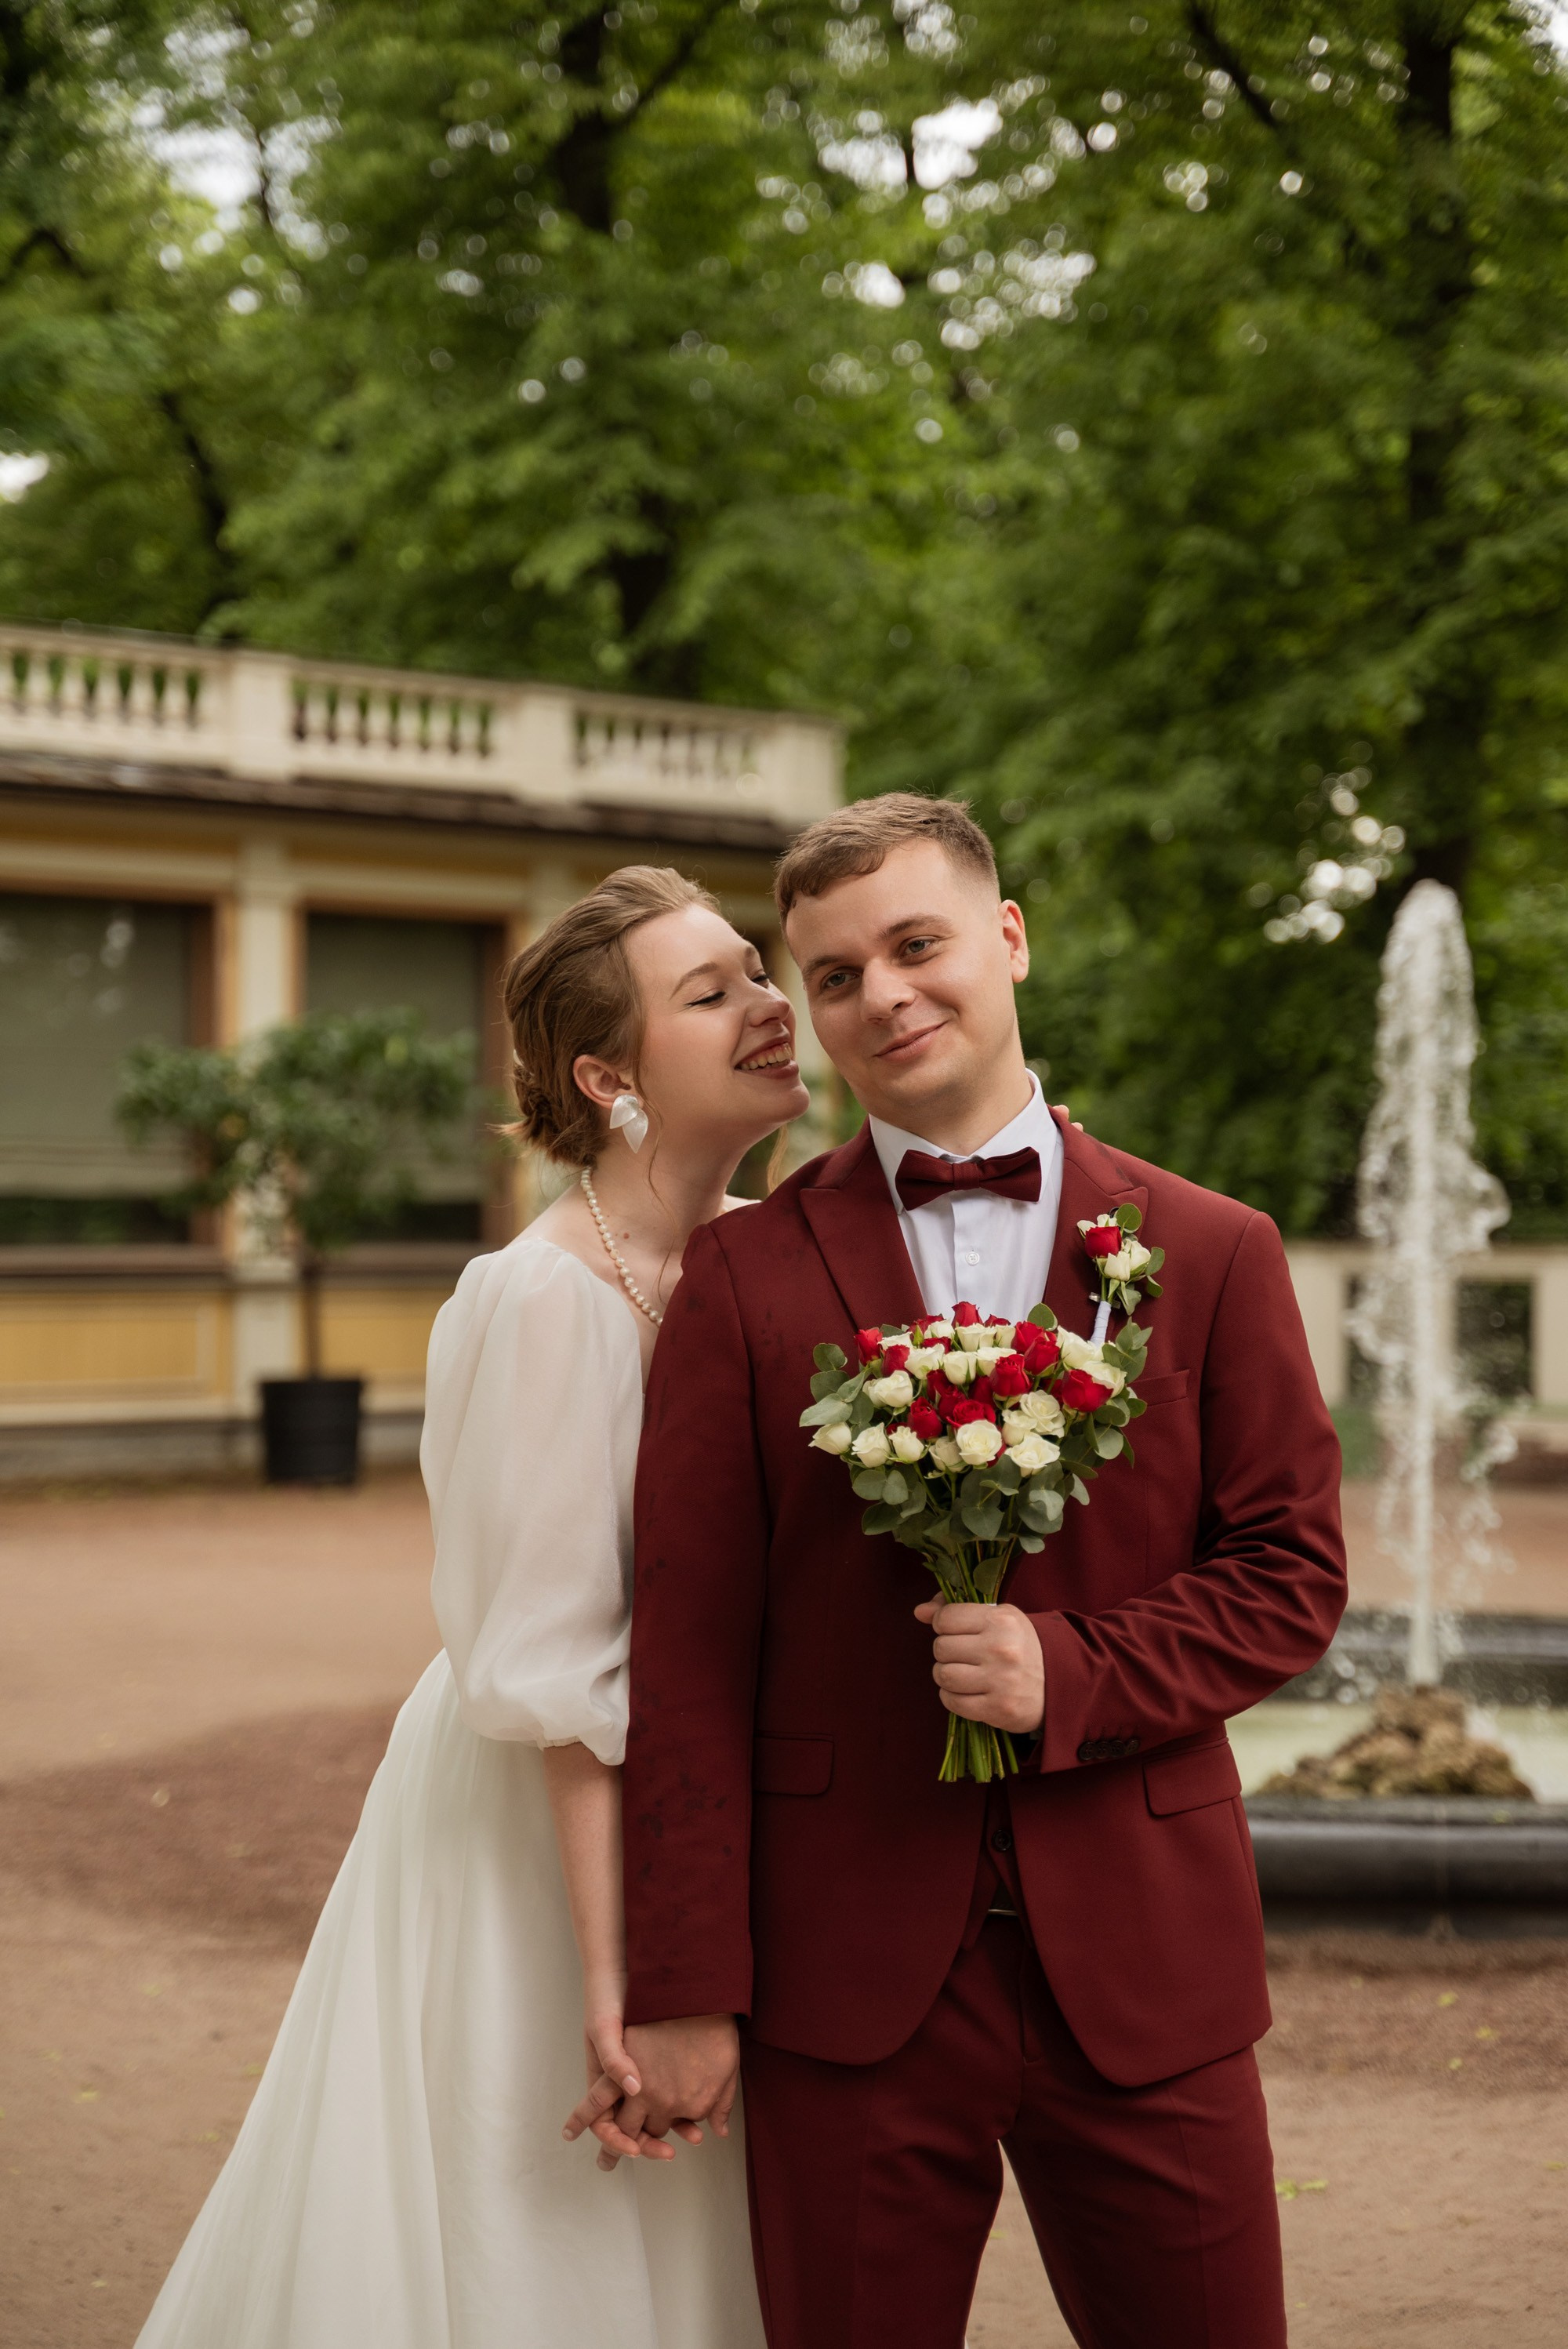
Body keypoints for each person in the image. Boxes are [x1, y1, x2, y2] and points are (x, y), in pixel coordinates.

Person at [594, 796, 1347, 2349]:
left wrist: (1071, 1673)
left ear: (1006, 939)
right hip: (844, 1981)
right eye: (834, 973)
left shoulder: (1207, 1250)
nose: (882, 995)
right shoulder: (739, 1277)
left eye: (915, 944)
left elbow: (1289, 1571)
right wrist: (684, 1979)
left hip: (1147, 1970)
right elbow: (684, 1648)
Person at [134, 866, 805, 2349]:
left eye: (757, 970)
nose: (771, 1007)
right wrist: (625, 1981)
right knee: (551, 2238)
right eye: (713, 993)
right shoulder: (544, 1300)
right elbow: (557, 1674)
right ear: (607, 1073)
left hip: (703, 1797)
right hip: (549, 1829)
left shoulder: (774, 1258)